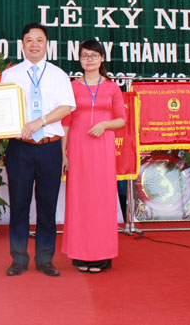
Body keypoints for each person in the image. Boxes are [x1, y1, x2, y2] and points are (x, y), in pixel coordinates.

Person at [0, 23, 75, 277]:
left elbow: (66, 107)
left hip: (49, 147)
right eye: (29, 40)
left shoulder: (58, 75)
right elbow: (1, 109)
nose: (34, 44)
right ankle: (18, 258)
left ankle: (45, 258)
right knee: (19, 204)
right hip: (20, 148)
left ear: (47, 44)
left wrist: (40, 121)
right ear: (22, 44)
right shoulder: (10, 75)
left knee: (48, 204)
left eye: (39, 40)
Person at [61, 39, 126, 274]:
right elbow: (66, 122)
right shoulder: (71, 87)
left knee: (102, 200)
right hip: (78, 148)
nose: (89, 60)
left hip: (102, 149)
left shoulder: (112, 87)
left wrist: (105, 124)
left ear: (102, 59)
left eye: (94, 55)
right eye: (85, 55)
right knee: (79, 200)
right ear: (79, 59)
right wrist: (63, 153)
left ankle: (101, 255)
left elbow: (122, 119)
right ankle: (80, 253)